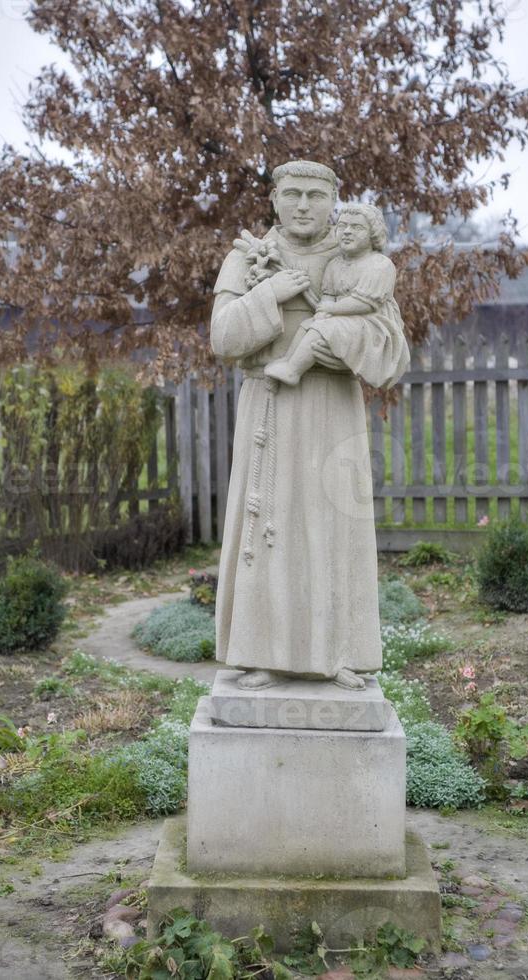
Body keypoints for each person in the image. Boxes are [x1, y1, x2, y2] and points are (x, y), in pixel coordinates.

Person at [210, 160, 409, 691]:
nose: (303, 205)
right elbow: (223, 339)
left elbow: (390, 349)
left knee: (331, 527)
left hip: (331, 408)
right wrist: (269, 294)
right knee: (267, 526)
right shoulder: (248, 257)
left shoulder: (356, 260)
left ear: (334, 201)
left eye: (316, 196)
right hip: (268, 409)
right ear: (274, 198)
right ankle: (261, 653)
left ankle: (337, 651)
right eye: (292, 194)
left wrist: (333, 347)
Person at [264, 203, 408, 388]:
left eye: (356, 227)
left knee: (325, 329)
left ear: (373, 233)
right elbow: (328, 296)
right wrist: (321, 313)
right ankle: (288, 363)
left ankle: (293, 370)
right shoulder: (335, 265)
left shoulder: (379, 265)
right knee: (308, 326)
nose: (347, 231)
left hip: (371, 323)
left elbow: (365, 303)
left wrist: (330, 309)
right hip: (342, 319)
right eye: (342, 226)